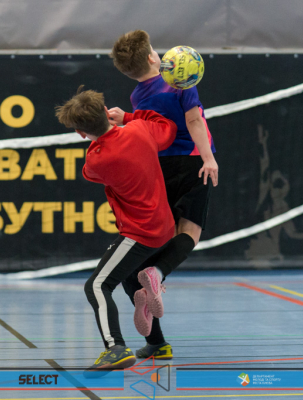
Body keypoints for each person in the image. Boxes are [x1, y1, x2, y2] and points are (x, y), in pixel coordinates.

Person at [109, 30, 218, 360]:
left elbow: (149, 127)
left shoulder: (137, 96)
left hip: (159, 168)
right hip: (192, 161)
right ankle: (157, 274)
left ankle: (156, 341)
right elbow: (193, 120)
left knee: (151, 243)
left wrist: (125, 119)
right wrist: (208, 158)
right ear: (152, 57)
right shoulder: (180, 81)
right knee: (190, 232)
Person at [55, 87, 177, 373]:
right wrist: (129, 118)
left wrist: (98, 137)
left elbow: (89, 173)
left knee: (97, 285)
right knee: (130, 278)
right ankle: (157, 344)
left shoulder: (97, 159)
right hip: (164, 225)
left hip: (139, 232)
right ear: (106, 111)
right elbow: (168, 128)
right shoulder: (139, 129)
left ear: (80, 133)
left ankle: (115, 348)